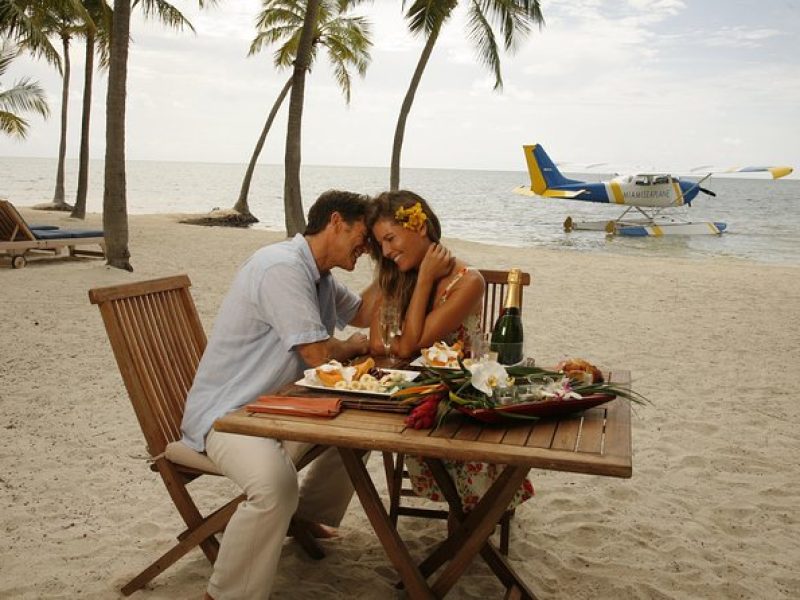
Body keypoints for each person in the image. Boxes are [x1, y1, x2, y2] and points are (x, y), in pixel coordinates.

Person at [181, 190, 374, 600]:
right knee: (275, 487)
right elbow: (319, 354)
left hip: (276, 408)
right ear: (336, 221)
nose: (369, 245)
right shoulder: (280, 268)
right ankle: (224, 595)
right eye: (365, 234)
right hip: (229, 415)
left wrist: (397, 269)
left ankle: (305, 517)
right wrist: (354, 346)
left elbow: (364, 314)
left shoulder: (319, 276)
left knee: (363, 429)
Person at [366, 190, 534, 512]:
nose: (386, 252)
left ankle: (473, 518)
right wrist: (415, 281)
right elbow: (385, 344)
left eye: (390, 239)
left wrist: (426, 278)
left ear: (419, 227)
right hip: (414, 397)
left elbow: (412, 343)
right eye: (380, 244)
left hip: (461, 406)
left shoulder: (469, 282)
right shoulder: (398, 277)